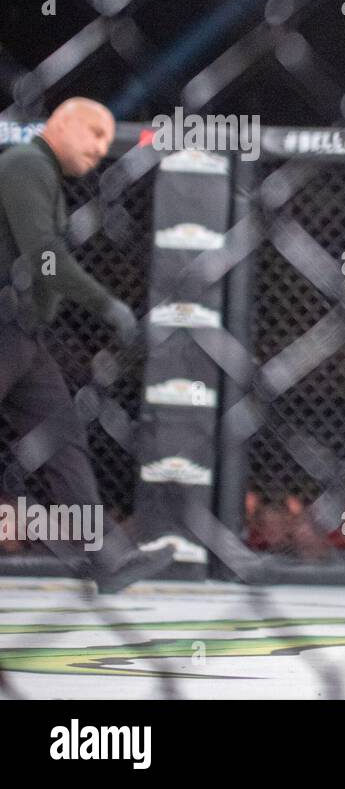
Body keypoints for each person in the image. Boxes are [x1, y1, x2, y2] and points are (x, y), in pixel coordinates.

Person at [0, 97, 175, 592]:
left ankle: (104, 560)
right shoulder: (23, 163)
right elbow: (43, 255)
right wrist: (105, 304)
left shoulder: (40, 172)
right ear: (61, 122)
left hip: (23, 335)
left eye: (107, 138)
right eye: (94, 133)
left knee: (62, 439)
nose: (101, 148)